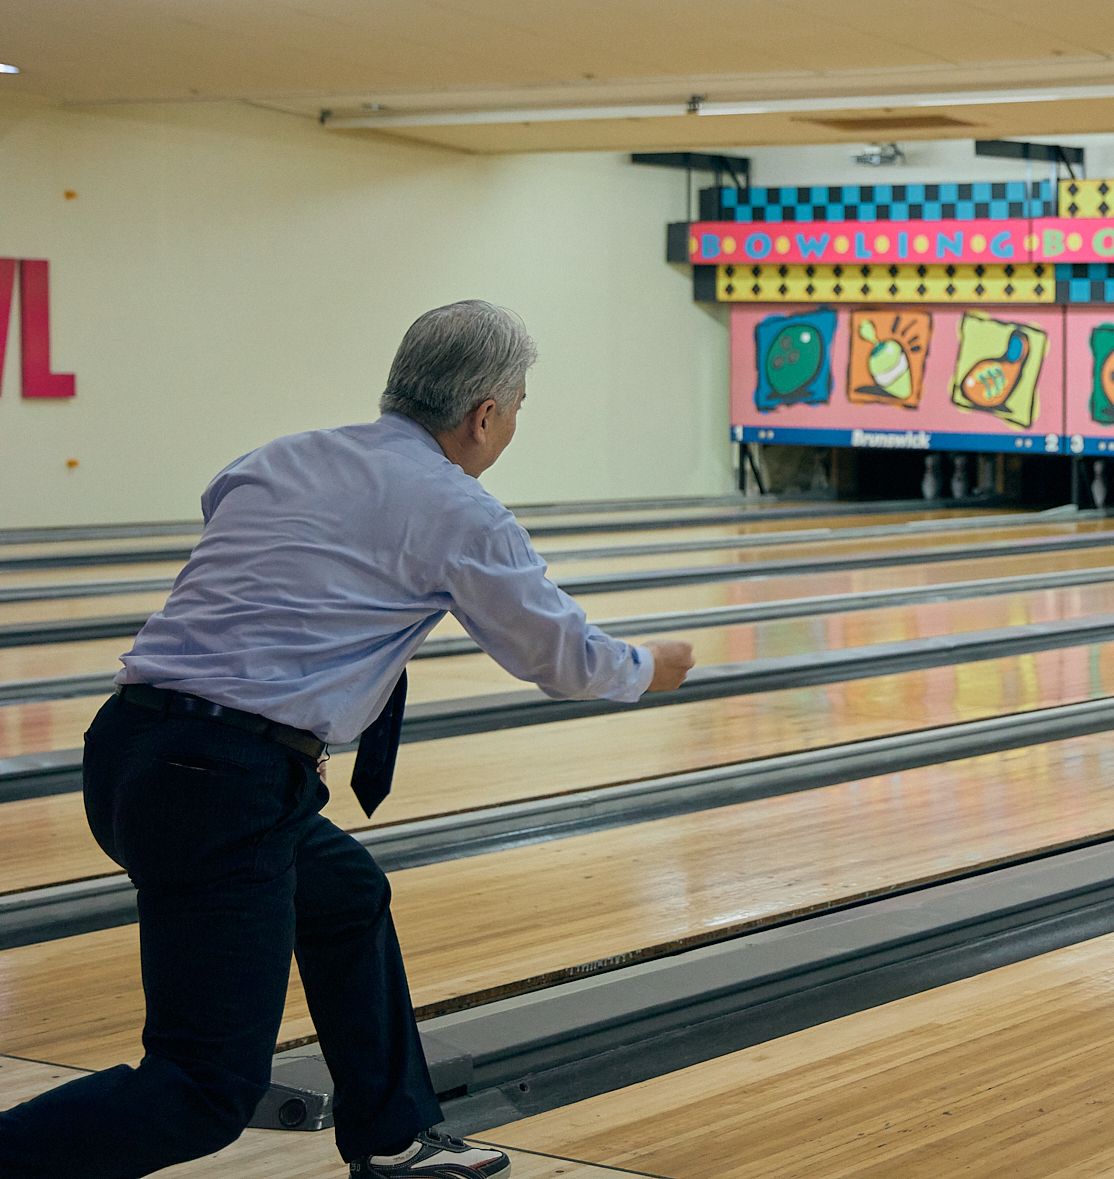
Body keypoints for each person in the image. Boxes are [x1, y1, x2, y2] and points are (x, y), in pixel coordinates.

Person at [0, 301, 696, 1178]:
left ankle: (392, 1137)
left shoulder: (278, 457)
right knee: (202, 1088)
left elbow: (232, 526)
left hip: (128, 747)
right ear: (485, 414)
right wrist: (654, 664)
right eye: (520, 405)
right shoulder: (460, 510)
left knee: (344, 892)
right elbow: (558, 657)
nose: (516, 421)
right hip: (224, 783)